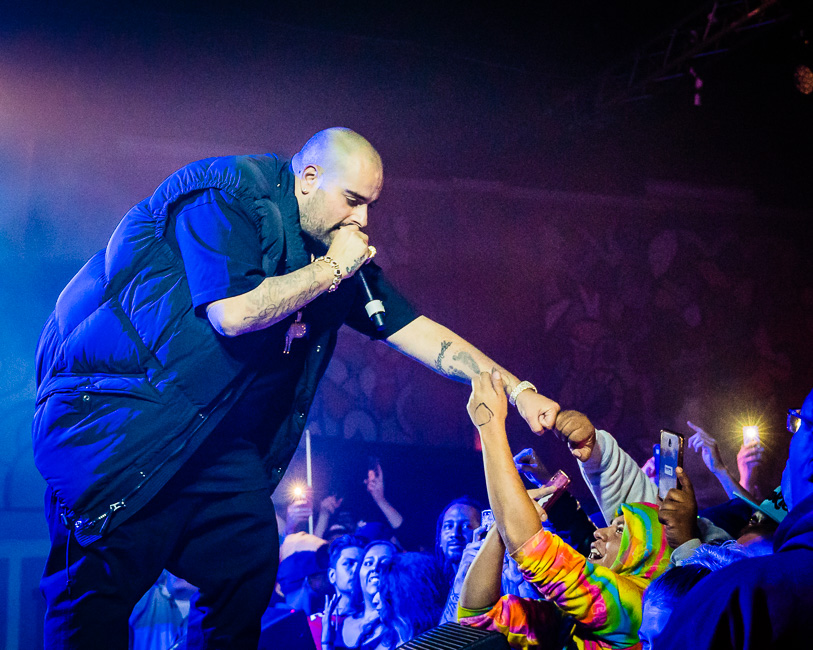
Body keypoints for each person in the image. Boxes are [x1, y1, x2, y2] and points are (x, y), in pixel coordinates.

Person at [32, 127, 560, 648]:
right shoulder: (226, 194)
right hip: (117, 430)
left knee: (247, 563)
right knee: (93, 605)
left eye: (370, 205)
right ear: (308, 178)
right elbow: (233, 313)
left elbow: (419, 332)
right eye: (352, 200)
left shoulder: (336, 252)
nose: (362, 220)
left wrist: (518, 390)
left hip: (212, 446)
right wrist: (332, 269)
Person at [457, 371, 671, 649]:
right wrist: (500, 529)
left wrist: (490, 425)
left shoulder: (639, 607)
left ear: (647, 552)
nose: (600, 533)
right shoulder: (569, 620)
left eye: (620, 530)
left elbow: (535, 552)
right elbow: (478, 622)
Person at [655, 389, 813, 649]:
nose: (792, 439)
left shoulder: (743, 593)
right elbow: (751, 510)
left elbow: (703, 625)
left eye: (801, 424)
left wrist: (687, 547)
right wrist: (726, 472)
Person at [308, 534, 365, 649]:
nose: (356, 570)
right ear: (332, 575)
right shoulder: (314, 624)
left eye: (362, 564)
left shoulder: (378, 619)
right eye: (348, 563)